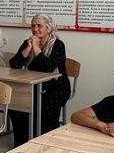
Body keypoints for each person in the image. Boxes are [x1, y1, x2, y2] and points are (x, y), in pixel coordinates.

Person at [7, 13, 70, 145]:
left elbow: (48, 68)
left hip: (56, 88)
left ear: (48, 28)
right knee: (16, 106)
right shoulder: (27, 43)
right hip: (33, 86)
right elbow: (14, 65)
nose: (35, 29)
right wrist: (28, 49)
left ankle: (44, 143)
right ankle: (22, 144)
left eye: (39, 26)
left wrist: (36, 48)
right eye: (33, 26)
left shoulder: (58, 45)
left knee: (43, 108)